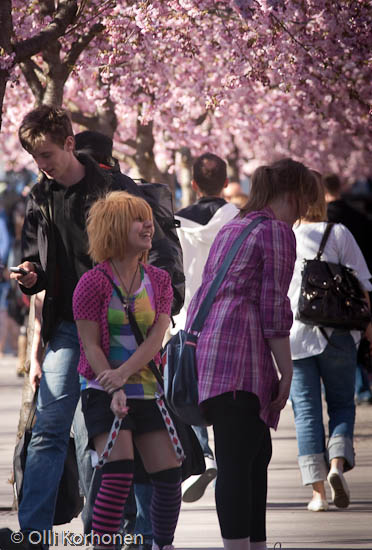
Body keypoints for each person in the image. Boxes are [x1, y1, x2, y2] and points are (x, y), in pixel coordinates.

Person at [0, 105, 181, 550]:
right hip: (67, 324)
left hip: (120, 323)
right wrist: (30, 274)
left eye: (47, 153)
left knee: (122, 433)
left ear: (68, 144)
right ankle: (35, 533)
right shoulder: (40, 197)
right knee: (50, 427)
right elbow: (40, 265)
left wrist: (152, 300)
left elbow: (151, 243)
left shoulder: (112, 187)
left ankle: (131, 534)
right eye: (34, 156)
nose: (42, 163)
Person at [184, 158, 317, 550]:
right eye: (304, 203)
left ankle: (253, 544)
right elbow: (274, 306)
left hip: (212, 349)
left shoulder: (236, 226)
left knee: (254, 455)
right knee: (239, 464)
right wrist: (287, 371)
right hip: (240, 356)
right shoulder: (276, 231)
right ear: (293, 196)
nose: (303, 213)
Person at [73, 191, 182, 550]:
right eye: (138, 219)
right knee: (117, 476)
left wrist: (127, 375)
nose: (148, 225)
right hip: (102, 389)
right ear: (115, 227)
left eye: (147, 217)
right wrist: (113, 385)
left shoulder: (160, 280)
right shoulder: (91, 282)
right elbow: (90, 345)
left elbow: (156, 336)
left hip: (147, 389)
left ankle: (161, 544)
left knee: (168, 477)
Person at [288, 176, 372, 513]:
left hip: (296, 336)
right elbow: (363, 284)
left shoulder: (286, 235)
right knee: (341, 403)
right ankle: (338, 465)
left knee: (306, 412)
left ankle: (318, 494)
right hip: (338, 333)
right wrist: (367, 329)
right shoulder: (339, 233)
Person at [174, 152, 238, 502]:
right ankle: (226, 462)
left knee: (187, 391)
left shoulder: (175, 223)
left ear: (194, 184)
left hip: (187, 319)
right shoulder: (239, 220)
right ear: (226, 183)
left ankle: (204, 454)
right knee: (226, 394)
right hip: (228, 320)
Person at [323, 173, 372, 405]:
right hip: (355, 293)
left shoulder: (320, 223)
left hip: (324, 298)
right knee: (358, 342)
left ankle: (358, 387)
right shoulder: (358, 218)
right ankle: (362, 387)